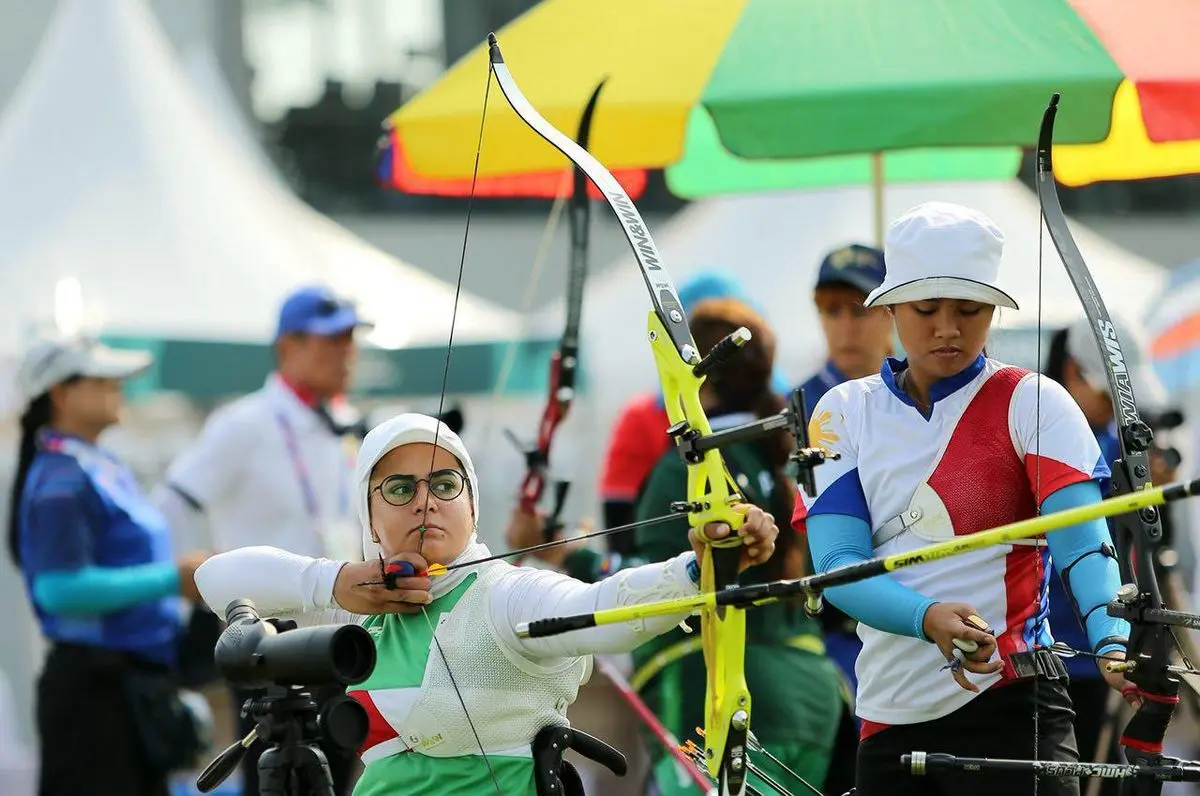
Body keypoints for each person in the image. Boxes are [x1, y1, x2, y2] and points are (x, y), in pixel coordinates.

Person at [193, 413, 780, 796]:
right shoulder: (359, 606)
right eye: (399, 488)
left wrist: (700, 567)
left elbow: (605, 610)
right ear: (368, 514)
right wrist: (335, 581)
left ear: (471, 504)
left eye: (445, 485)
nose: (425, 501)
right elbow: (216, 580)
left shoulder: (506, 595)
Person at [797, 202, 1136, 796]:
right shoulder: (841, 412)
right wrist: (925, 617)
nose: (948, 328)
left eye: (969, 309)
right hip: (889, 718)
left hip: (1015, 702)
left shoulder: (1035, 401)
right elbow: (837, 565)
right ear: (891, 308)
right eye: (926, 309)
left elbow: (1084, 543)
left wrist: (1111, 639)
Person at [156, 283, 372, 795]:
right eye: (331, 339)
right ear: (287, 346)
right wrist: (199, 582)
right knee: (274, 776)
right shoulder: (245, 423)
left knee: (340, 774)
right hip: (270, 639)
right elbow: (170, 504)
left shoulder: (345, 424)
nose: (346, 351)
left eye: (350, 339)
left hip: (343, 629)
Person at [631, 298, 842, 795]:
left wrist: (566, 556)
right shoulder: (794, 462)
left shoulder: (684, 470)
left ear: (695, 377)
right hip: (812, 698)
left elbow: (646, 587)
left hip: (710, 695)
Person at [8, 337, 210, 796]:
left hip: (130, 688)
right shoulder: (60, 478)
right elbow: (58, 589)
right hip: (94, 699)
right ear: (61, 394)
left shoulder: (97, 462)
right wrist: (173, 579)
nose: (117, 386)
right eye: (101, 380)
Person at [1043, 318, 1178, 795]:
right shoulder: (1050, 441)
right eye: (1108, 393)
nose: (1117, 408)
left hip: (1107, 653)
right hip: (1051, 656)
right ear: (1073, 372)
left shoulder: (1110, 441)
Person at [793, 243, 893, 794]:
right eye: (832, 310)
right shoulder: (795, 409)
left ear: (892, 311)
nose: (847, 325)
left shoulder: (918, 400)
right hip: (828, 634)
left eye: (860, 309)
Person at [599, 270, 787, 554]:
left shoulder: (678, 471)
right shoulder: (780, 449)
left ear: (699, 371)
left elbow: (647, 572)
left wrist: (573, 556)